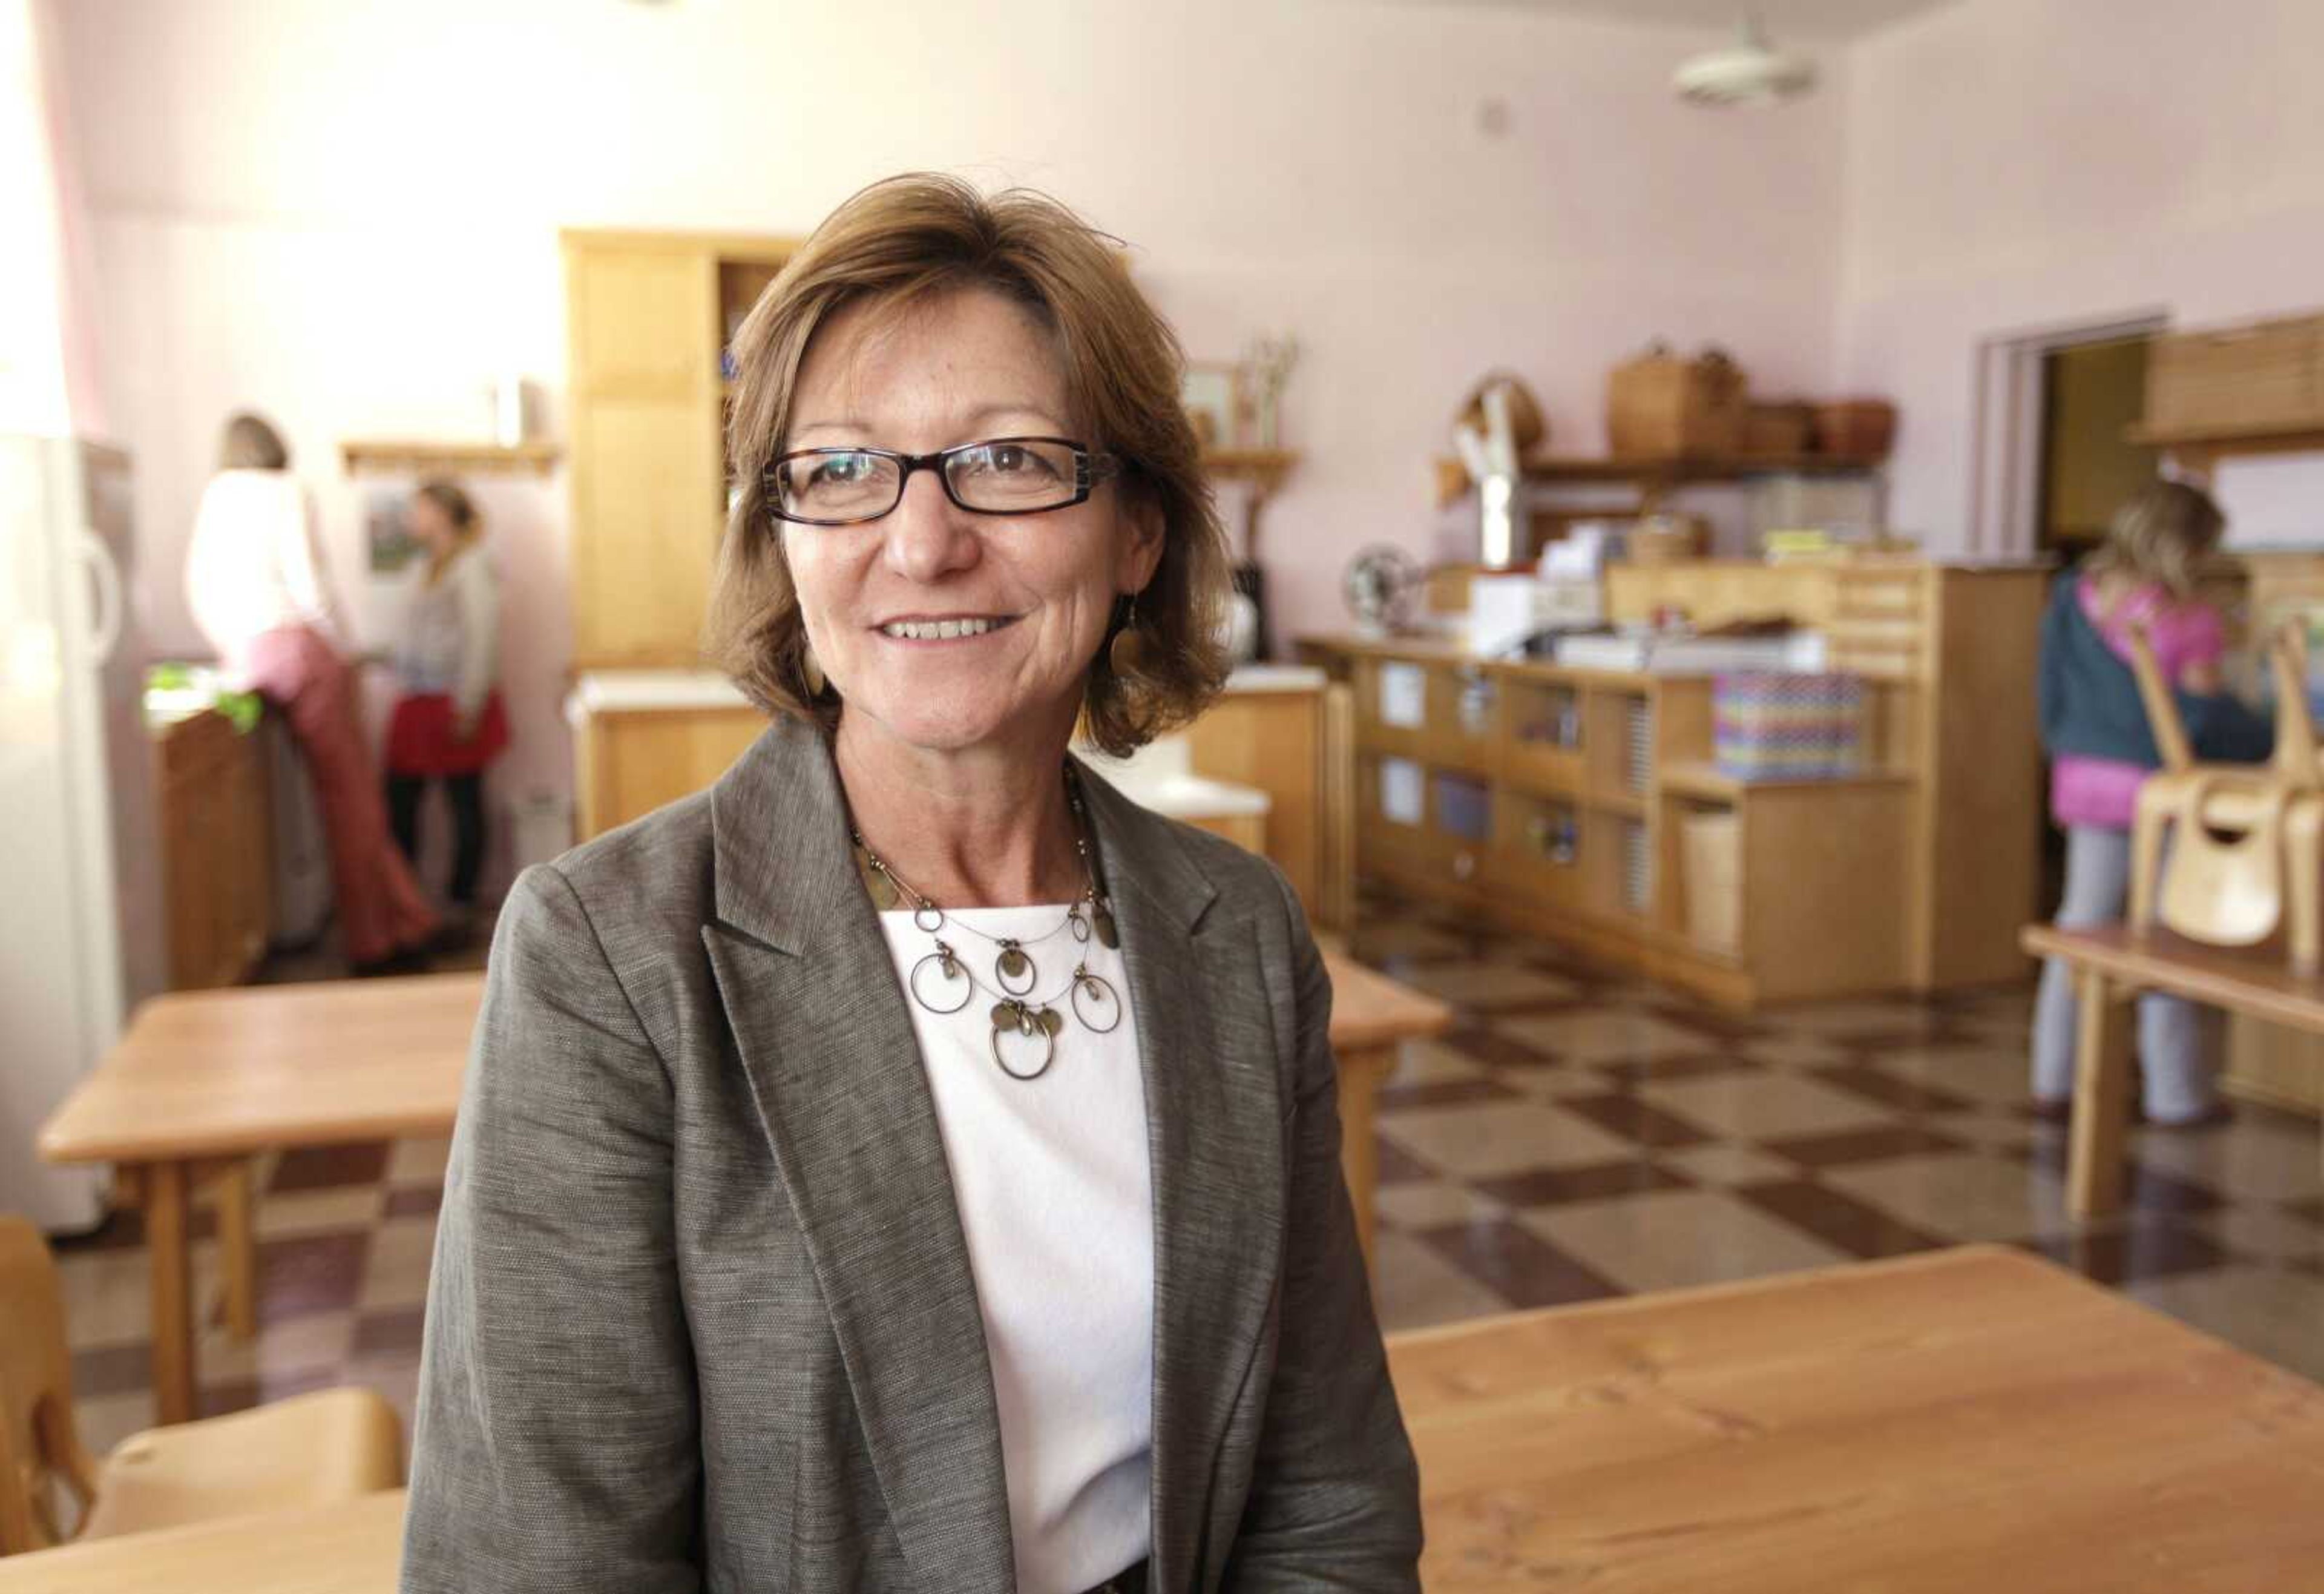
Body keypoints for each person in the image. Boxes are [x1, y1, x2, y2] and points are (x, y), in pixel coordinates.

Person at [401, 175, 1421, 1594]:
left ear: (1135, 531)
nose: (921, 542)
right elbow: (536, 1561)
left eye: (1006, 461)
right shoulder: (608, 958)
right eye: (840, 470)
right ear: (786, 536)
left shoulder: (1238, 932)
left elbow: (1327, 1493)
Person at [2032, 479, 2263, 1127]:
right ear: (2185, 544)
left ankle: (2054, 1080)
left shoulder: (2072, 596)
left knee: (2080, 927)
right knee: (2166, 935)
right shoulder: (2186, 616)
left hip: (2082, 775)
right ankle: (2175, 1094)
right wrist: (2273, 731)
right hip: (2157, 790)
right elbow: (2207, 717)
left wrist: (2062, 747)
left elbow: (2048, 689)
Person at [183, 412, 435, 974]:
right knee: (352, 802)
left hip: (244, 659)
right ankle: (379, 941)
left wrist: (236, 652)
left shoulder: (214, 498)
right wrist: (343, 652)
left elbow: (198, 588)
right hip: (300, 651)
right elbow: (310, 583)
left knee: (321, 801)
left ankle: (410, 921)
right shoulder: (286, 491)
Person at [383, 479, 508, 942]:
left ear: (441, 513)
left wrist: (469, 703)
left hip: (454, 700)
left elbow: (483, 634)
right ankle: (407, 903)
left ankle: (461, 903)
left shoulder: (473, 564)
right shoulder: (426, 566)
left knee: (464, 802)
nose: (411, 517)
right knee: (401, 802)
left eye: (419, 508)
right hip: (419, 699)